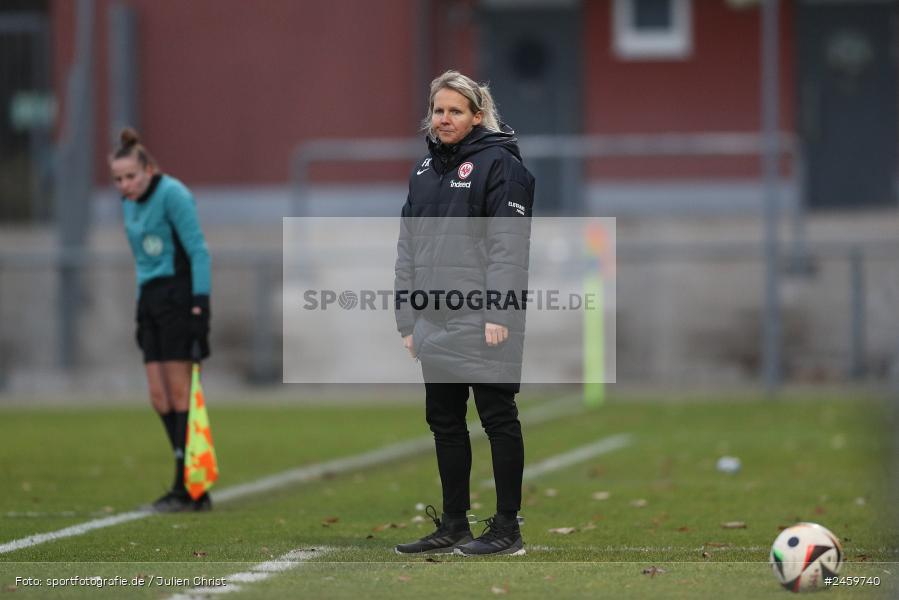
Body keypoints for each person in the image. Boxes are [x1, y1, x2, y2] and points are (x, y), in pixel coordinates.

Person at [394, 70, 535, 556]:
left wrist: (499, 312)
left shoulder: (501, 165)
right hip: (434, 320)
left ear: (478, 115)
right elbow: (406, 251)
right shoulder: (422, 173)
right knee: (445, 421)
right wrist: (407, 320)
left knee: (498, 417)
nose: (445, 119)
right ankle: (454, 523)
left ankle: (507, 529)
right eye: (439, 110)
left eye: (456, 110)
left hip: (485, 318)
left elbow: (508, 248)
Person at [109, 127, 212, 512]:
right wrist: (141, 308)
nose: (125, 185)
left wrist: (200, 307)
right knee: (158, 396)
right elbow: (142, 261)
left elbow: (199, 252)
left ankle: (189, 486)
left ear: (148, 169)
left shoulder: (173, 194)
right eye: (118, 179)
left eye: (131, 176)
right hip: (150, 300)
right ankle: (185, 479)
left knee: (180, 392)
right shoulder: (129, 204)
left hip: (179, 297)